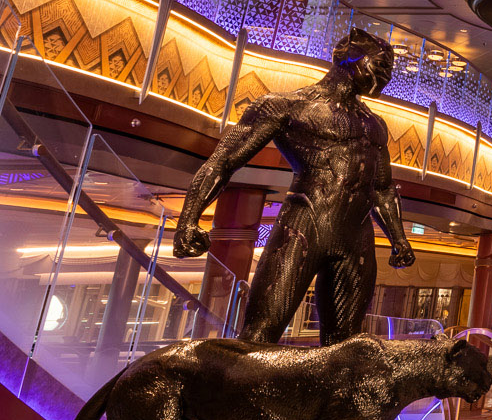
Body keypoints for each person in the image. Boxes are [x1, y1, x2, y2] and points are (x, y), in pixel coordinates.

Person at [174, 26, 415, 345]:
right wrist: (188, 220)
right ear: (348, 57)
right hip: (302, 229)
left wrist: (399, 238)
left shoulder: (375, 124)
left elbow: (383, 188)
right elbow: (223, 160)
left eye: (389, 70)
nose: (386, 76)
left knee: (345, 348)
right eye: (380, 65)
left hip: (356, 240)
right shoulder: (286, 106)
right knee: (259, 337)